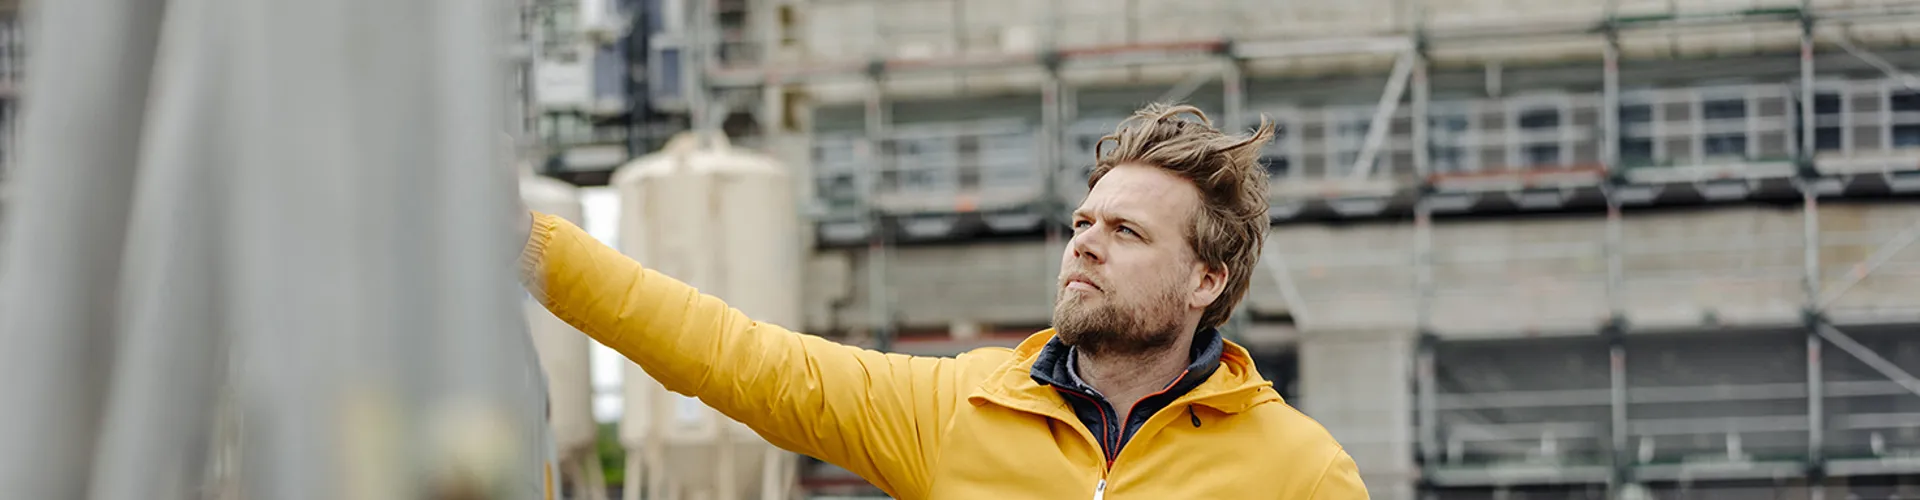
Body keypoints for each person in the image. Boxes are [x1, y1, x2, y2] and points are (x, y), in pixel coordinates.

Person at [513, 103, 1368, 499]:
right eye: (1082, 222)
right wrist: (528, 243)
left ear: (1205, 281)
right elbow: (734, 356)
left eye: (1127, 232)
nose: (1085, 242)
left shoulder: (1298, 472)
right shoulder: (958, 410)